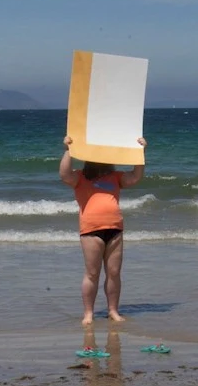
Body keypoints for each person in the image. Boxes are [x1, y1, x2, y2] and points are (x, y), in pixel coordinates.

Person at [59, 135, 146, 326]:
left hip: (115, 228)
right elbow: (64, 175)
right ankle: (88, 313)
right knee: (92, 273)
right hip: (91, 230)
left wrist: (140, 151)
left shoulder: (115, 177)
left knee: (114, 273)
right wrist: (68, 150)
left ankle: (113, 310)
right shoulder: (80, 177)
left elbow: (135, 177)